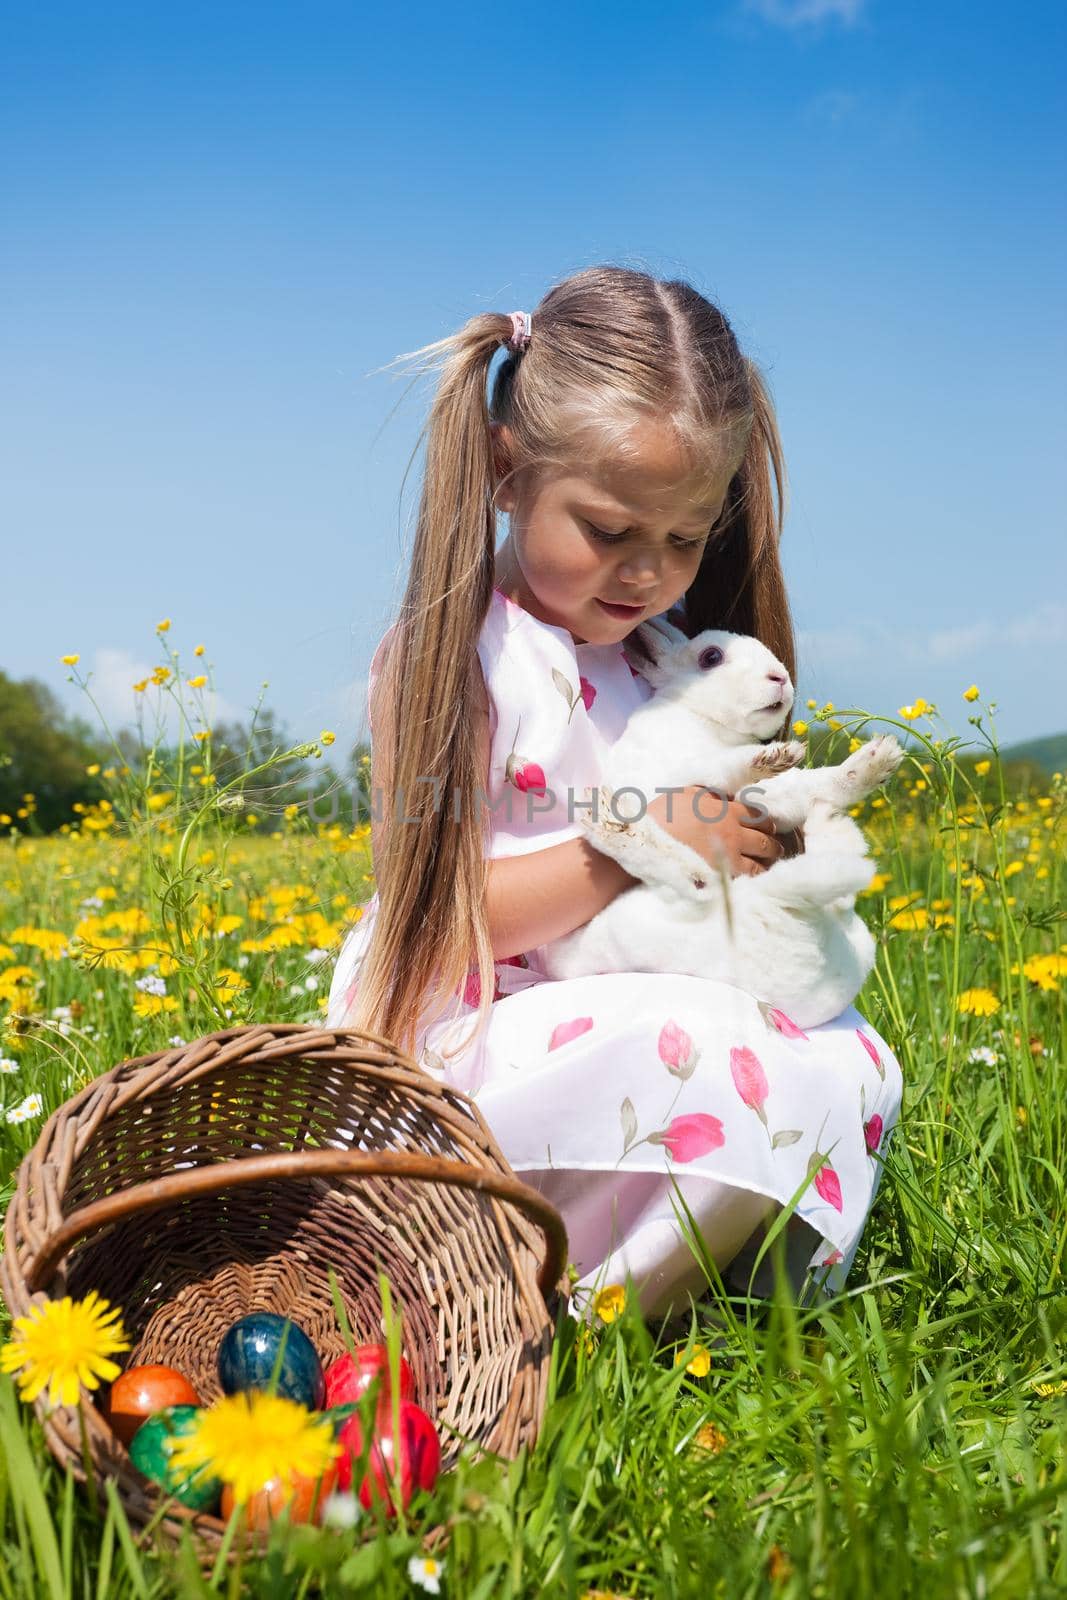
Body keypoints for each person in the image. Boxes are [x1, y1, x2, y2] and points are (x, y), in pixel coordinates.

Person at [326, 265, 903, 1328]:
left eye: (682, 539)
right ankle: (526, 1316)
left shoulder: (664, 662)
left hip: (614, 992)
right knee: (702, 1047)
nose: (647, 571)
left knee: (844, 1055)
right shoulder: (455, 662)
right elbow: (445, 918)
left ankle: (680, 1315)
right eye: (605, 530)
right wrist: (641, 842)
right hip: (467, 1029)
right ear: (506, 472)